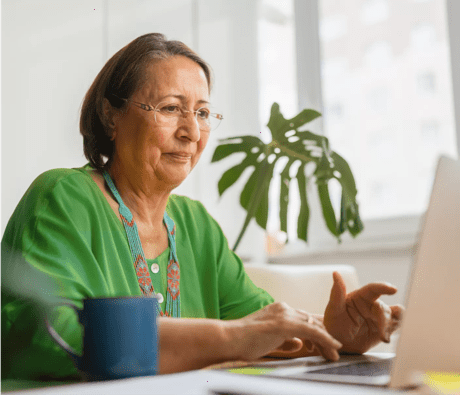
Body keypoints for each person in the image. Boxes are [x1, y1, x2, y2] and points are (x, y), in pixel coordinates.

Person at [0, 33, 403, 380]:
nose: (191, 131)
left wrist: (336, 334)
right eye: (171, 108)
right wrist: (229, 337)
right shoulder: (63, 197)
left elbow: (265, 327)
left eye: (203, 113)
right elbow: (50, 336)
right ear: (111, 115)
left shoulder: (196, 225)